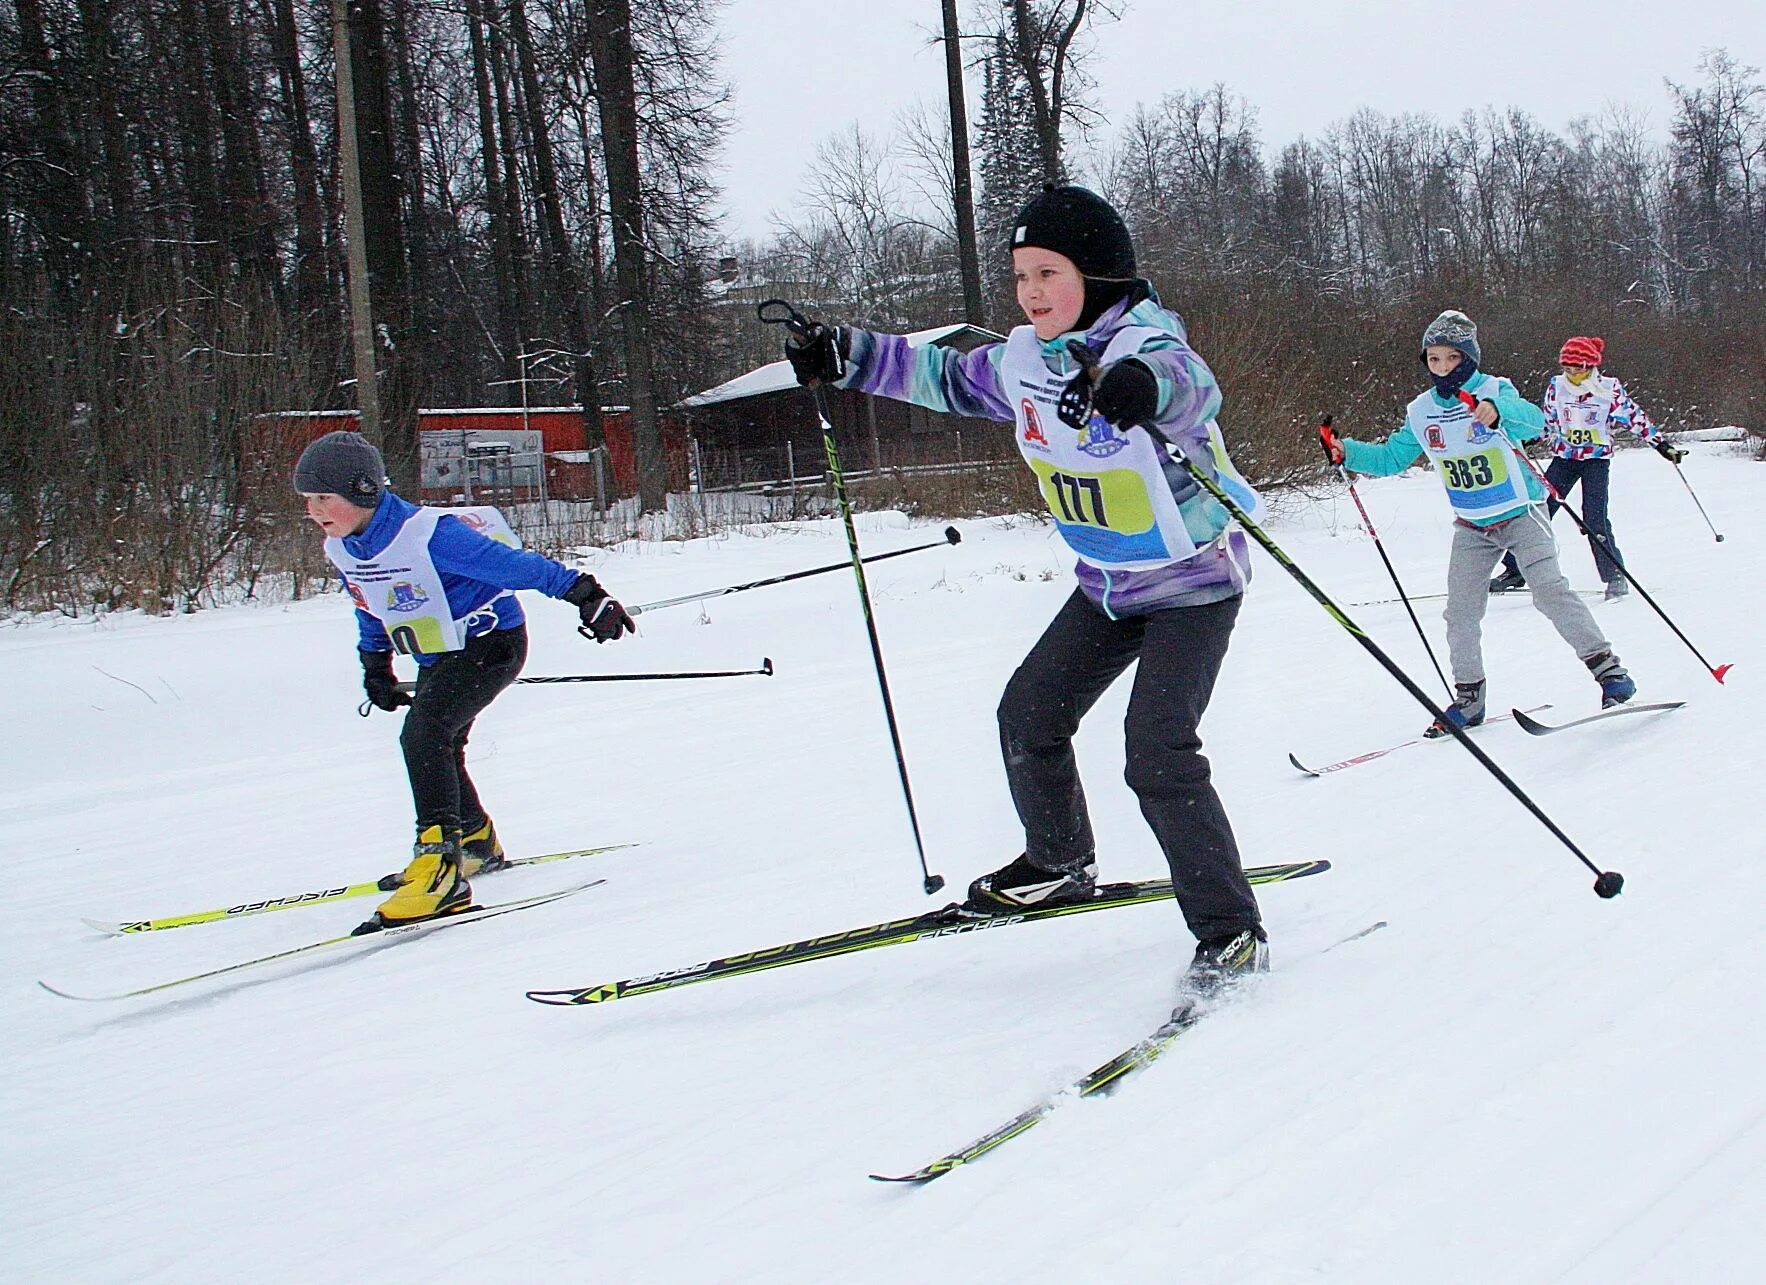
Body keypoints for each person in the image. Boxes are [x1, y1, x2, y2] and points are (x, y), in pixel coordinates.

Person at [783, 184, 1268, 993]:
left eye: (1049, 272)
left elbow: (1187, 384)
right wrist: (847, 354)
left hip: (1191, 585)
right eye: (1019, 277)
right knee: (1029, 713)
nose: (1032, 292)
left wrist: (1137, 388)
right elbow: (940, 376)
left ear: (1099, 276)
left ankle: (1229, 927)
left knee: (1157, 751)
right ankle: (1059, 860)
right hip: (1107, 587)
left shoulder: (1148, 343)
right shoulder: (1024, 363)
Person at [293, 430, 634, 932]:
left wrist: (585, 594)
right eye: (307, 500)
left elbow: (512, 567)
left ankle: (439, 871)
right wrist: (376, 665)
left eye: (325, 497)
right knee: (440, 740)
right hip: (437, 651)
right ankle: (473, 841)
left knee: (424, 733)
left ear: (363, 490)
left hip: (491, 642)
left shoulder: (429, 533)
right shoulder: (343, 548)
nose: (314, 510)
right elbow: (371, 605)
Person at [1321, 311, 1638, 737]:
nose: (1442, 367)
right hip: (1472, 526)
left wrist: (1498, 411)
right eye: (1433, 359)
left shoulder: (1493, 389)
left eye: (1451, 358)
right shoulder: (1423, 410)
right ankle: (1470, 698)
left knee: (1549, 591)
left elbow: (1535, 422)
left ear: (1467, 358)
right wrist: (1348, 452)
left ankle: (1608, 671)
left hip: (1522, 512)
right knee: (1460, 613)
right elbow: (1392, 458)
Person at [1489, 335, 1683, 600]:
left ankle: (1614, 575)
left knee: (1594, 518)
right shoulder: (1557, 387)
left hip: (1595, 461)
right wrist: (1533, 436)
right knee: (1538, 511)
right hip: (1565, 458)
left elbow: (1634, 417)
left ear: (1590, 366)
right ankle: (1515, 570)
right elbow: (1548, 420)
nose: (1572, 374)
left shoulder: (1607, 389)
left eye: (1577, 368)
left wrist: (1661, 445)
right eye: (1567, 368)